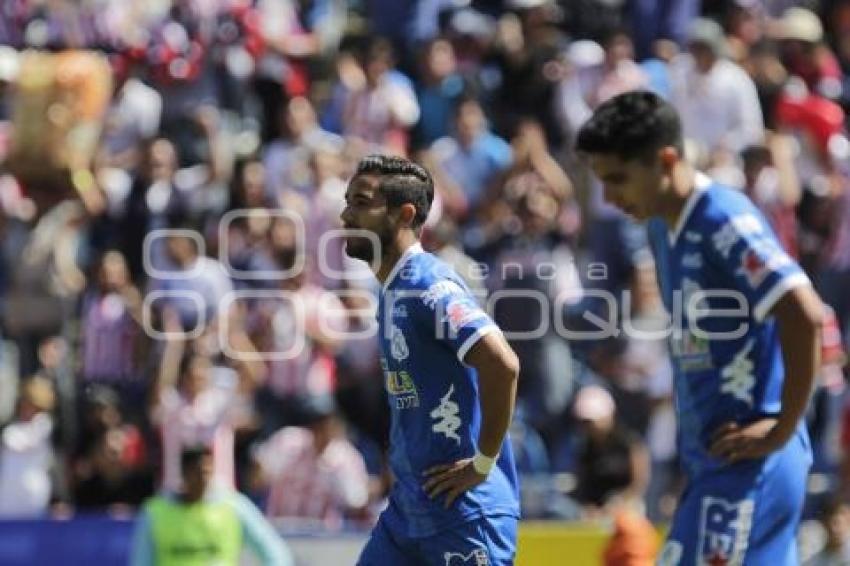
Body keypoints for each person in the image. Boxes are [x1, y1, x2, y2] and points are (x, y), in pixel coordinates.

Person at [576, 90, 824, 565]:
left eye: (618, 179)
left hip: (750, 463)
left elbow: (804, 312)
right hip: (714, 466)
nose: (609, 198)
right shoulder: (659, 225)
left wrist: (781, 429)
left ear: (666, 161)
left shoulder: (723, 219)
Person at [340, 155, 521, 565]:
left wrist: (483, 463)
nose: (346, 214)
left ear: (403, 215)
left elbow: (502, 363)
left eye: (361, 203)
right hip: (409, 512)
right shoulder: (392, 290)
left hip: (463, 511)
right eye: (347, 202)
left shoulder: (428, 284)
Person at [130, 445, 292, 566]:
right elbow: (141, 561)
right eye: (197, 472)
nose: (203, 480)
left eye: (207, 472)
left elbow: (276, 554)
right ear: (184, 473)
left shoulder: (234, 507)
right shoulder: (155, 512)